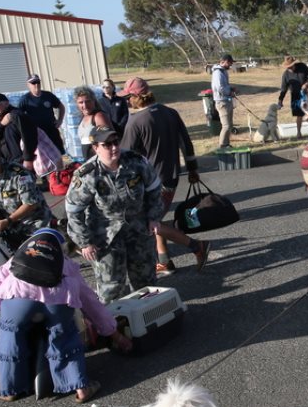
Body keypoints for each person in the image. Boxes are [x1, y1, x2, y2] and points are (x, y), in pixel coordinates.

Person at [0, 228, 132, 402]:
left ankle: (9, 390)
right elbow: (91, 304)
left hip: (17, 297)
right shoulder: (66, 264)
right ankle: (81, 388)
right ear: (60, 248)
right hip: (57, 299)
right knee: (65, 337)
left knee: (10, 337)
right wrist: (116, 335)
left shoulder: (21, 255)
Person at [118, 78, 211, 276]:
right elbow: (186, 144)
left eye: (127, 97)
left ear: (137, 97)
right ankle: (164, 261)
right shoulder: (170, 113)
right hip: (171, 177)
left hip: (149, 183)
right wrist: (192, 169)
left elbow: (124, 158)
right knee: (155, 219)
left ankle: (196, 246)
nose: (126, 101)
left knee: (148, 223)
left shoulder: (135, 122)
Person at [65, 126, 164, 304]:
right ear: (96, 147)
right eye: (106, 144)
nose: (113, 148)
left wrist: (154, 217)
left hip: (139, 230)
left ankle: (149, 319)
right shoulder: (88, 174)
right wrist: (85, 242)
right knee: (111, 286)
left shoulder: (135, 162)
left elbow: (154, 189)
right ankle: (114, 326)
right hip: (105, 237)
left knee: (145, 280)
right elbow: (73, 211)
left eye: (115, 142)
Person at [0, 142, 53, 250]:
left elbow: (30, 203)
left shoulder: (19, 174)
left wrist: (8, 220)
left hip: (33, 224)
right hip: (6, 227)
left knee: (34, 258)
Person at [0, 93, 38, 171]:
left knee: (25, 182)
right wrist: (1, 124)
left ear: (6, 103)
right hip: (7, 163)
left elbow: (29, 137)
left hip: (21, 162)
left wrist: (28, 159)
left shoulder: (17, 115)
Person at [18, 73, 67, 154]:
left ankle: (64, 166)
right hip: (37, 132)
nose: (36, 85)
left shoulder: (48, 95)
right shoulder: (25, 99)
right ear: (28, 85)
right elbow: (18, 115)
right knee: (42, 154)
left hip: (51, 129)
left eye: (38, 82)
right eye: (33, 83)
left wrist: (60, 120)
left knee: (59, 151)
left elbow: (61, 106)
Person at [277, 56, 308, 139]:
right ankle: (298, 133)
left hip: (306, 93)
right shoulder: (285, 75)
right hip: (295, 96)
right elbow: (283, 89)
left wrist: (307, 83)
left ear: (294, 64)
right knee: (299, 115)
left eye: (291, 66)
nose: (290, 68)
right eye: (288, 67)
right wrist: (280, 100)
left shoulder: (302, 66)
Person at [75, 86, 112, 160]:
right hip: (89, 159)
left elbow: (108, 140)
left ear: (94, 101)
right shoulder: (83, 117)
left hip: (99, 160)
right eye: (81, 102)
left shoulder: (98, 116)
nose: (85, 105)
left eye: (88, 101)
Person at [211, 54, 237, 149]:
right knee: (226, 126)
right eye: (230, 62)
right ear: (224, 61)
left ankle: (227, 144)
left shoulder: (223, 72)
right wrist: (229, 92)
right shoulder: (217, 72)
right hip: (222, 102)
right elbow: (219, 88)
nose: (230, 64)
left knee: (229, 125)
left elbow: (224, 85)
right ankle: (222, 146)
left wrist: (231, 88)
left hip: (227, 101)